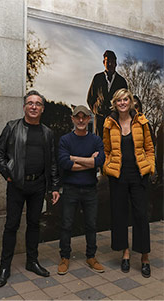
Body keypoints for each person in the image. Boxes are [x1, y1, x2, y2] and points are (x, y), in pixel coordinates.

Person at [0, 90, 60, 287]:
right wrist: (8, 175)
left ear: (42, 109)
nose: (33, 106)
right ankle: (4, 268)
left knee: (33, 224)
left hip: (38, 186)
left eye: (37, 104)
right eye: (30, 103)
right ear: (24, 107)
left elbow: (53, 162)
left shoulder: (47, 133)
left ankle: (32, 262)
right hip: (16, 186)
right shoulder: (12, 127)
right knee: (11, 226)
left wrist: (54, 186)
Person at [103, 88, 155, 278]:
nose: (123, 103)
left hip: (138, 175)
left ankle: (144, 258)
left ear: (131, 102)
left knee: (141, 215)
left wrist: (150, 166)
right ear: (115, 103)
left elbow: (150, 148)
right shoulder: (109, 123)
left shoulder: (141, 121)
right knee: (120, 215)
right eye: (119, 100)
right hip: (118, 176)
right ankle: (125, 253)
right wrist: (107, 167)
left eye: (126, 99)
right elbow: (106, 149)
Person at [57, 105, 105, 275]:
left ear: (89, 118)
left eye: (84, 117)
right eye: (77, 117)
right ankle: (65, 257)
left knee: (91, 225)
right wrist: (88, 162)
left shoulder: (96, 140)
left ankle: (91, 257)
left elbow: (99, 162)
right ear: (73, 119)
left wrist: (74, 159)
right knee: (66, 225)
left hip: (90, 189)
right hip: (70, 189)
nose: (81, 120)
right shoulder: (65, 140)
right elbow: (64, 164)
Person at [87, 50, 128, 138]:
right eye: (107, 61)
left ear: (116, 63)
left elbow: (125, 103)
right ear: (103, 62)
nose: (110, 64)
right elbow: (90, 98)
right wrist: (97, 111)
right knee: (99, 148)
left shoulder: (122, 82)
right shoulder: (97, 78)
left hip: (115, 122)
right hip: (99, 122)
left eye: (112, 61)